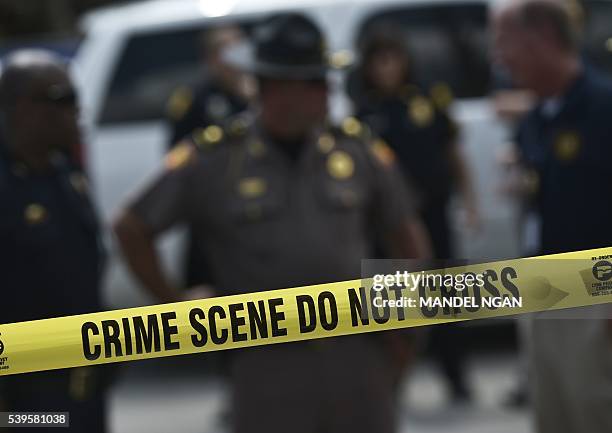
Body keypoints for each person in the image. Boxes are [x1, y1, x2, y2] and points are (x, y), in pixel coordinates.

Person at [114, 13, 431, 433]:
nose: (328, 92)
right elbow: (131, 226)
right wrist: (177, 307)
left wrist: (404, 328)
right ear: (277, 89)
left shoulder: (355, 149)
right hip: (265, 367)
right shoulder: (215, 160)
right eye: (316, 82)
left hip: (358, 359)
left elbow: (406, 235)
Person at [493, 1, 612, 432]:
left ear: (541, 38)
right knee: (553, 416)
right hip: (542, 288)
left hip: (594, 293)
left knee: (594, 412)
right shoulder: (539, 117)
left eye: (505, 42)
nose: (498, 56)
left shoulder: (602, 108)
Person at [350, 27, 479, 402]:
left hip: (433, 212)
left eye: (394, 58)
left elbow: (454, 155)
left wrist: (470, 203)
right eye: (379, 61)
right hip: (386, 224)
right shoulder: (364, 114)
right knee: (391, 305)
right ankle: (392, 380)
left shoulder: (427, 100)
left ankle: (456, 378)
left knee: (447, 299)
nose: (387, 68)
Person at [0, 50, 107, 432]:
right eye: (64, 98)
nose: (76, 109)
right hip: (26, 395)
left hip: (85, 382)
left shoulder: (66, 173)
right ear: (24, 108)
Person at [166, 25, 254, 291]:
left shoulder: (258, 93)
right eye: (229, 50)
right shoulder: (194, 100)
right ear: (211, 59)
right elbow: (177, 158)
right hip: (212, 215)